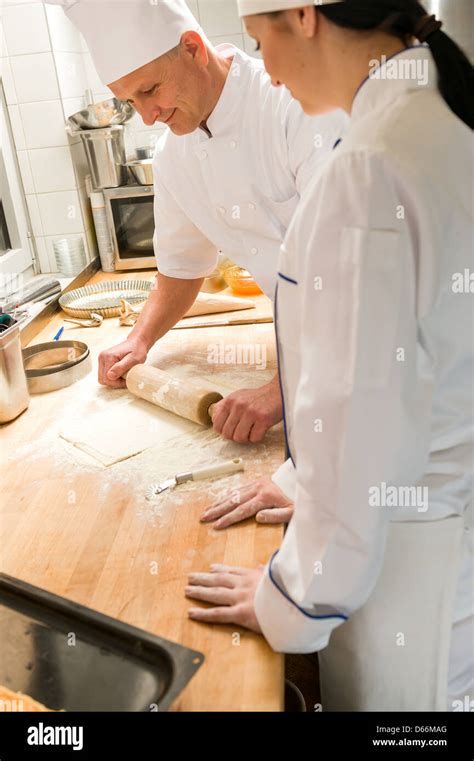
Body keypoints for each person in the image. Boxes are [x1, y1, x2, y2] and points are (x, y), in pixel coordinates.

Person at [186, 0, 474, 711]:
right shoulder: (430, 114)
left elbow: (366, 418)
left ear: (306, 16)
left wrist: (290, 594)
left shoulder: (373, 168)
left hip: (409, 571)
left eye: (258, 40)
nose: (268, 72)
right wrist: (305, 473)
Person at [48, 0, 346, 449]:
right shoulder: (174, 157)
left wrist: (283, 389)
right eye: (131, 101)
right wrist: (139, 339)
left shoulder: (297, 105)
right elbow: (181, 268)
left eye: (150, 90)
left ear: (192, 48)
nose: (147, 116)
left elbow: (352, 272)